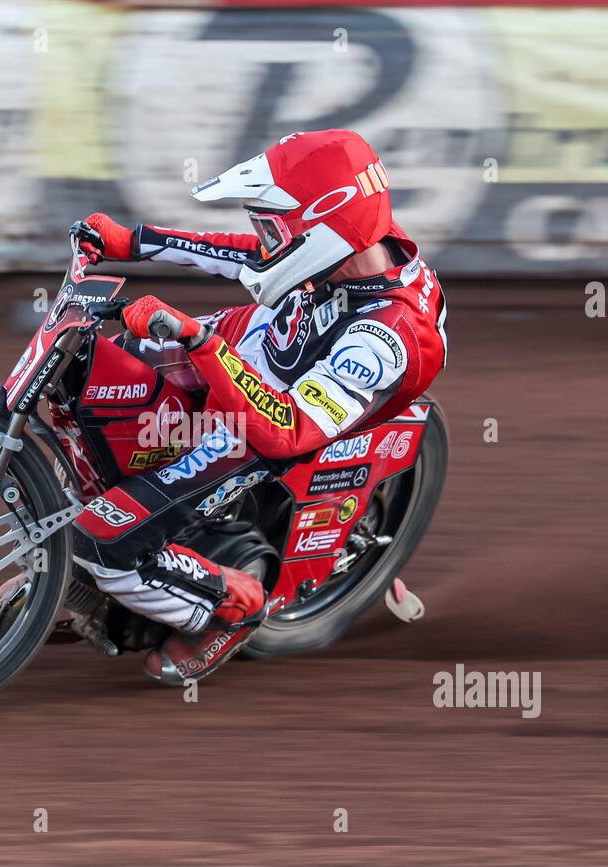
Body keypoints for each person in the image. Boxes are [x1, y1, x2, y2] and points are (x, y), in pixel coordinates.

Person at [72, 129, 448, 685]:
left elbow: (287, 430)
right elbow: (252, 255)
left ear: (324, 226)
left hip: (269, 418)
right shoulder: (352, 243)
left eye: (274, 226)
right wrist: (136, 240)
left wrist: (199, 342)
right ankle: (76, 557)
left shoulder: (383, 338)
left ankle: (233, 604)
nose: (262, 238)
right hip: (269, 343)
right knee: (90, 373)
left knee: (104, 538)